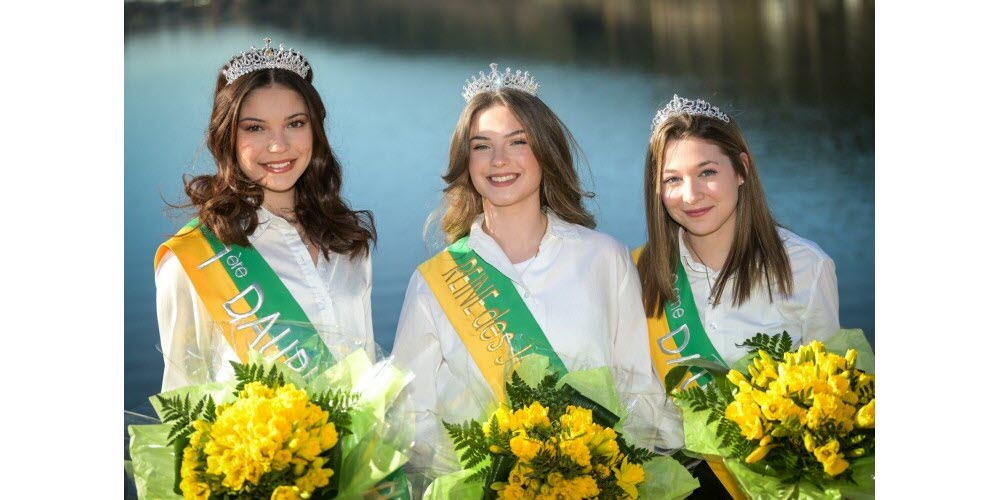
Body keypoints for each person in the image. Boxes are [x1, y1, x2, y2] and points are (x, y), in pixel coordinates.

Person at [391, 63, 683, 475]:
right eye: (481, 145)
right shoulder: (434, 282)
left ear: (546, 152)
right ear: (466, 161)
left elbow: (638, 389)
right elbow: (411, 417)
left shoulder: (605, 260)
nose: (498, 160)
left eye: (518, 142)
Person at [635, 95, 840, 497]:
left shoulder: (804, 268)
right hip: (671, 485)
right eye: (672, 179)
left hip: (771, 486)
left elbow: (828, 401)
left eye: (707, 172)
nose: (690, 195)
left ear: (742, 169)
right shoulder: (638, 271)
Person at [154, 38, 377, 391]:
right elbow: (181, 399)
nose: (279, 145)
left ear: (315, 130)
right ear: (226, 135)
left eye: (295, 123)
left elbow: (370, 376)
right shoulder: (195, 260)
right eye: (255, 128)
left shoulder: (347, 243)